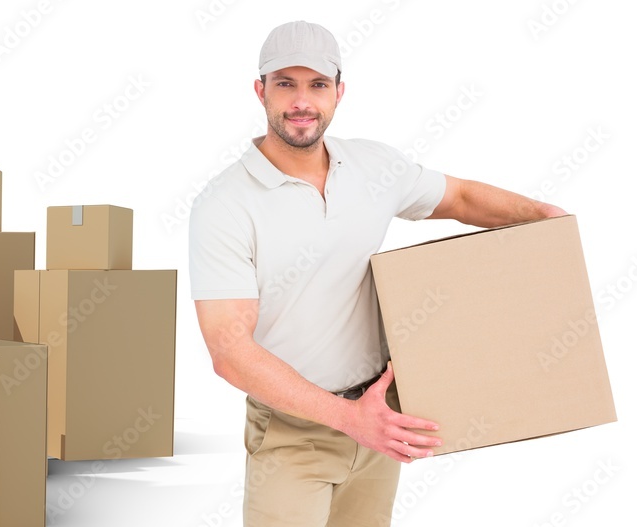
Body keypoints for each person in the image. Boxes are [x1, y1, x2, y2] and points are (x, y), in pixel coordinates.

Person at [188, 20, 567, 527]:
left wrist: (542, 215)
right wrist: (350, 419)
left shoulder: (372, 167)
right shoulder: (224, 205)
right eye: (286, 84)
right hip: (292, 431)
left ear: (339, 92)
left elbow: (458, 197)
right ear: (260, 91)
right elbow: (229, 352)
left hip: (380, 412)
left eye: (317, 85)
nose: (302, 101)